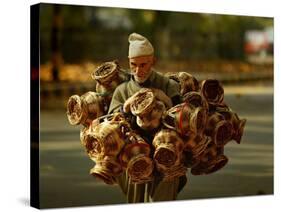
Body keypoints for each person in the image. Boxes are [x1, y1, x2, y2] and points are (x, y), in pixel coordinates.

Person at [108, 32, 187, 203]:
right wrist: (126, 106)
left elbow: (183, 117)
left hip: (166, 155)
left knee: (162, 198)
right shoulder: (122, 91)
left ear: (153, 61)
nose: (138, 70)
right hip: (134, 155)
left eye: (144, 64)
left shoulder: (167, 85)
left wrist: (164, 99)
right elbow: (110, 124)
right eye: (133, 65)